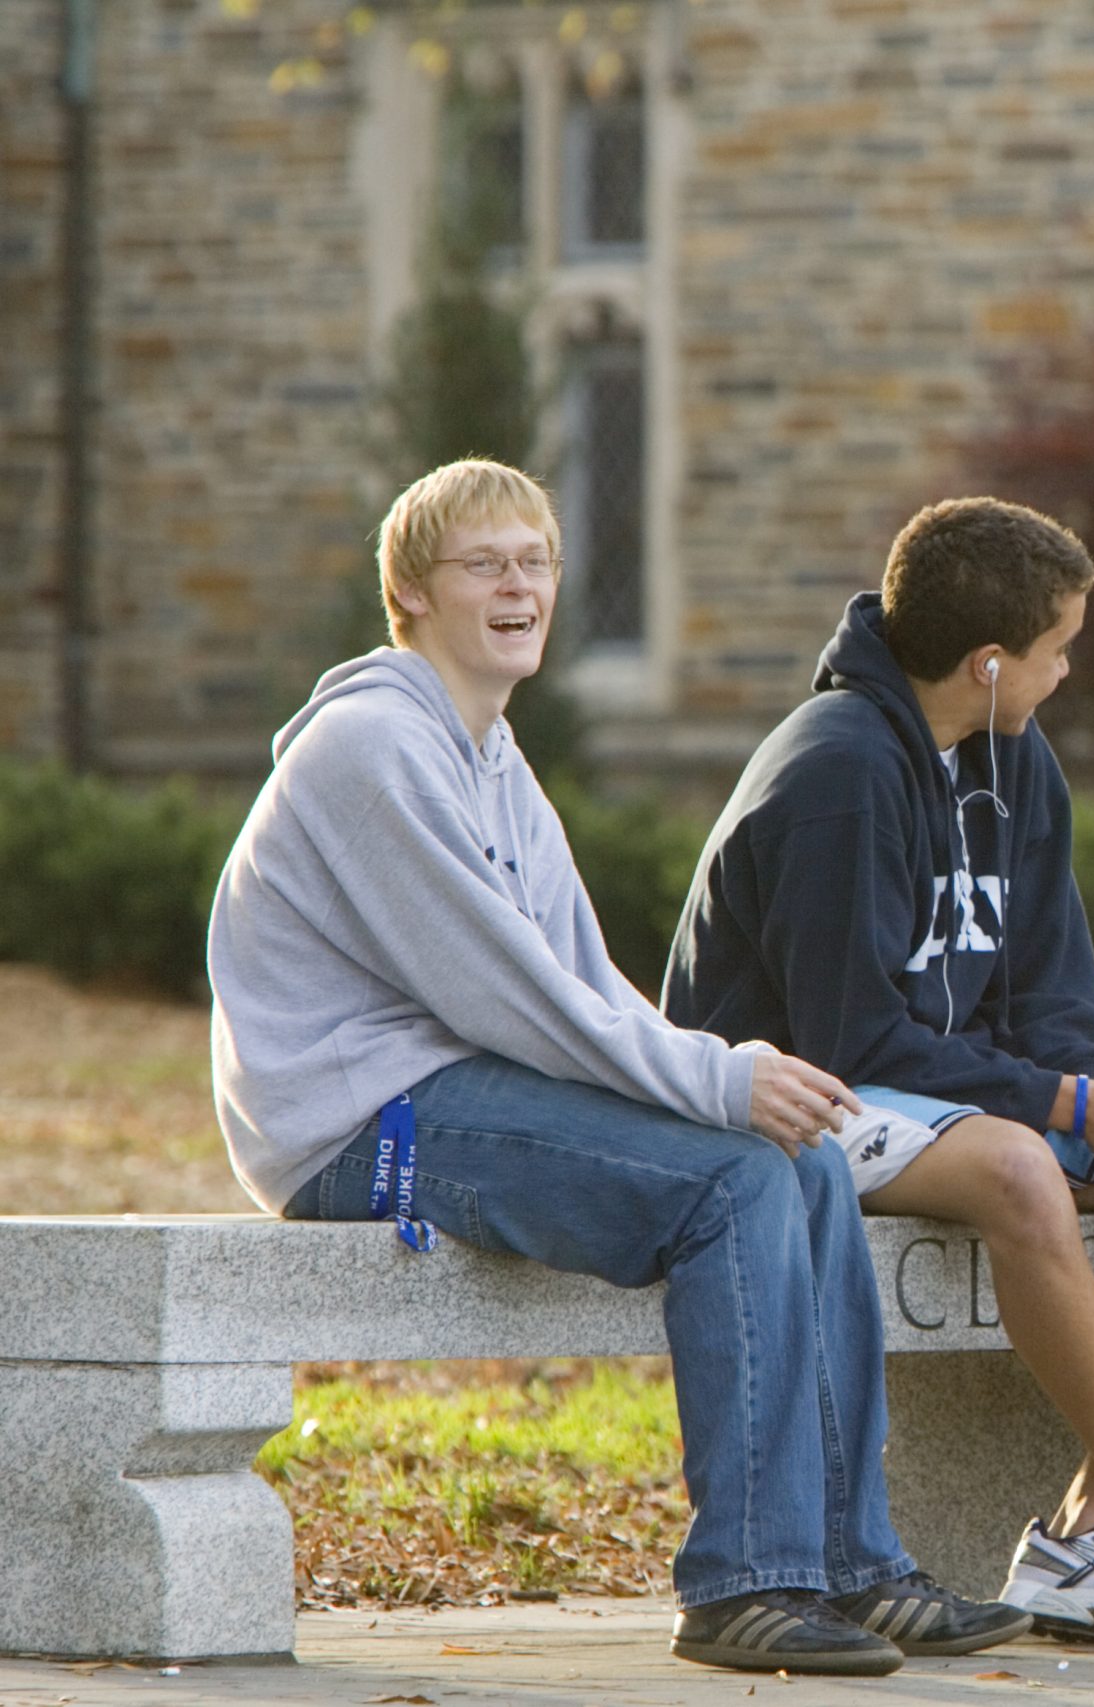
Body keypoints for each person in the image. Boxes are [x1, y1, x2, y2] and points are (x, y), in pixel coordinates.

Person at [208, 460, 1028, 1679]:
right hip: (360, 1122)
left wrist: (722, 1073)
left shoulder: (489, 753)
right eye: (484, 564)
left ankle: (854, 1564)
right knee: (733, 1184)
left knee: (797, 1167)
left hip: (461, 1086)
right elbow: (510, 995)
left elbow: (585, 980)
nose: (518, 585)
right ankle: (745, 1585)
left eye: (535, 561)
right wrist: (715, 1083)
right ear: (409, 593)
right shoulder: (371, 747)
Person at [662, 497, 1094, 1649]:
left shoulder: (1014, 758)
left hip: (942, 1092)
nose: (1065, 672)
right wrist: (1063, 1110)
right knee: (1017, 1171)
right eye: (1056, 652)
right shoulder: (838, 770)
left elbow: (1049, 994)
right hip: (788, 1103)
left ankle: (1091, 1533)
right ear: (989, 663)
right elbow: (849, 1038)